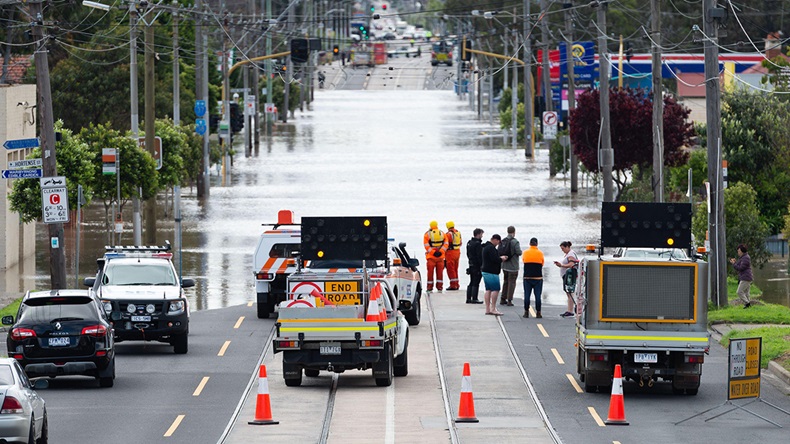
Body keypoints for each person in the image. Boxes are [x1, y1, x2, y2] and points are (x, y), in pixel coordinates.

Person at [554, 241, 579, 317]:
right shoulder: (568, 254)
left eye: (563, 248)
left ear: (567, 247)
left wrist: (561, 265)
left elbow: (571, 264)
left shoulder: (571, 254)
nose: (562, 250)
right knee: (568, 292)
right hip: (566, 275)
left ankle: (570, 311)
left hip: (569, 275)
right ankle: (569, 310)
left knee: (569, 292)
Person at [499, 226, 522, 306]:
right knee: (512, 283)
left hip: (504, 265)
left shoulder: (503, 241)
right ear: (514, 232)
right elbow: (519, 252)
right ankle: (509, 300)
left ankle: (502, 298)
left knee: (505, 281)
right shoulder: (515, 242)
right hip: (513, 266)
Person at [481, 234, 504, 316]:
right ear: (495, 240)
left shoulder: (486, 247)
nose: (497, 244)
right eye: (498, 242)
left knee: (488, 290)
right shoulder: (491, 248)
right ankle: (493, 308)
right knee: (496, 289)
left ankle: (487, 309)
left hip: (485, 270)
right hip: (492, 272)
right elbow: (495, 259)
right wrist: (501, 259)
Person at [522, 237, 545, 318]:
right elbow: (542, 263)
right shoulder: (540, 253)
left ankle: (526, 312)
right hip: (538, 278)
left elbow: (523, 260)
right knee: (538, 296)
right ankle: (538, 312)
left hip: (527, 277)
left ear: (530, 244)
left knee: (527, 295)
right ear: (537, 244)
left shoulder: (525, 252)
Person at [423, 220, 448, 292]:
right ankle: (440, 287)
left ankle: (429, 288)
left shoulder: (427, 234)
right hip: (440, 257)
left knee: (430, 273)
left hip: (431, 257)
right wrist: (441, 251)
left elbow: (426, 246)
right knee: (440, 273)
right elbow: (446, 244)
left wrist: (433, 252)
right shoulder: (442, 233)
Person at [730, 244, 753, 308]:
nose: (738, 252)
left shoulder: (745, 258)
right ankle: (748, 306)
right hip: (747, 277)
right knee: (746, 293)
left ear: (742, 251)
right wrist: (735, 262)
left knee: (739, 292)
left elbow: (740, 268)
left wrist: (734, 264)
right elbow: (740, 265)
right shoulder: (744, 257)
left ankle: (747, 303)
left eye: (738, 251)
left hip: (745, 277)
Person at [465, 228, 484, 304]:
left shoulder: (469, 243)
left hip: (471, 264)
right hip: (476, 265)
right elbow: (479, 256)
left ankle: (468, 298)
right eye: (481, 234)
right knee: (476, 282)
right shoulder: (477, 244)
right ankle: (474, 298)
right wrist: (481, 265)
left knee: (471, 281)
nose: (482, 236)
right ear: (478, 234)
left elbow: (468, 254)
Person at [444, 221, 462, 290]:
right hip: (457, 252)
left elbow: (445, 244)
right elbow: (460, 243)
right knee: (455, 269)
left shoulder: (448, 234)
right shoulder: (458, 233)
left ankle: (453, 285)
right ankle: (456, 284)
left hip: (450, 253)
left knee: (450, 269)